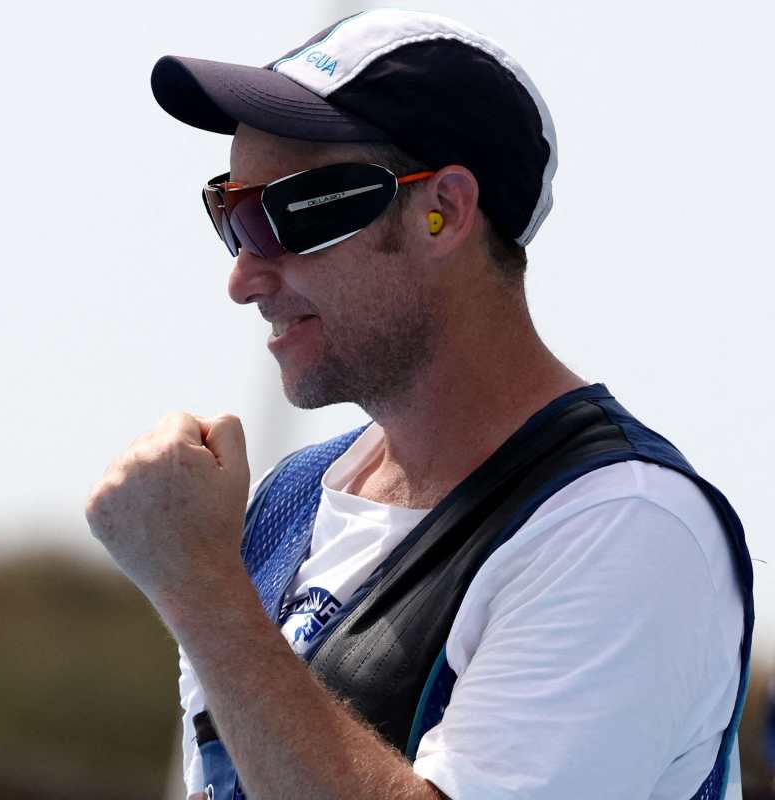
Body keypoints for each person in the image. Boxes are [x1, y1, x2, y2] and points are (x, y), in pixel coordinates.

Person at [84, 8, 754, 800]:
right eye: (231, 213)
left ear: (445, 210)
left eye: (292, 213)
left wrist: (200, 591)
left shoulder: (626, 526)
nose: (244, 275)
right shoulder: (291, 495)